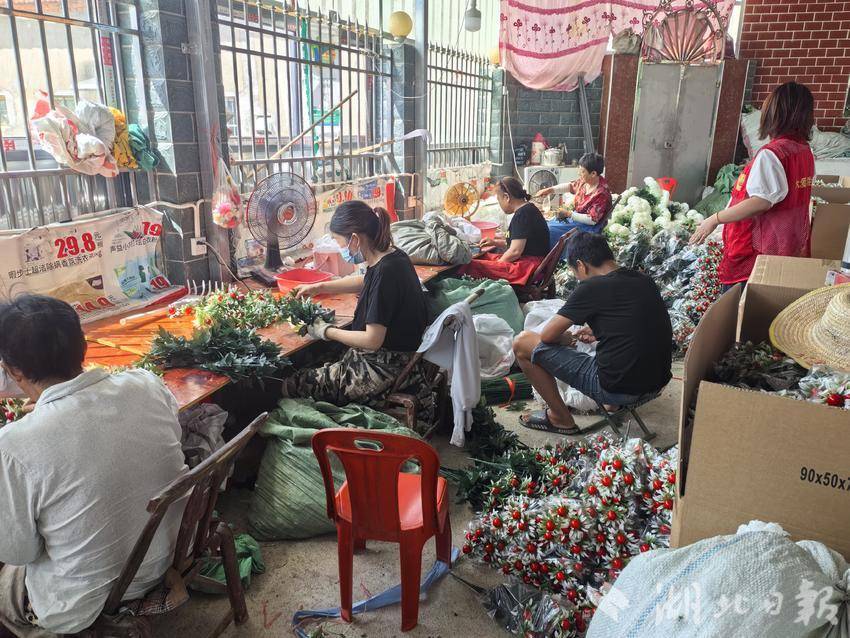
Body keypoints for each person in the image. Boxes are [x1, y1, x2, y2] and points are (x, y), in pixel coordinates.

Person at [0, 295, 186, 637]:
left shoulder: (13, 444)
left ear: (13, 371)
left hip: (93, 599)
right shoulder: (145, 384)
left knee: (8, 580)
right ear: (83, 345)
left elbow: (20, 550)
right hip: (169, 553)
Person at [283, 200, 432, 415]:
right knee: (319, 359)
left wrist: (326, 331)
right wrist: (320, 287)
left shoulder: (385, 272)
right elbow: (366, 281)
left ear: (354, 239)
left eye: (339, 242)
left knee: (296, 382)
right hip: (400, 356)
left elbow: (372, 340)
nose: (340, 249)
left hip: (384, 368)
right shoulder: (393, 257)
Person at [513, 233, 672, 434]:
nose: (579, 279)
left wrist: (564, 339)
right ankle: (612, 405)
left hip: (619, 389)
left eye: (576, 274)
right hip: (657, 382)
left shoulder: (592, 286)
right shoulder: (643, 280)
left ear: (581, 265)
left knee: (522, 342)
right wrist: (598, 332)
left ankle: (560, 418)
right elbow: (637, 325)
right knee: (617, 356)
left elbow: (547, 336)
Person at [690, 82, 815, 291]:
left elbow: (761, 202)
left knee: (740, 304)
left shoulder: (772, 154)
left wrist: (714, 219)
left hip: (757, 252)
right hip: (784, 246)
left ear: (775, 112)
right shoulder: (803, 150)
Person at [458, 177, 550, 285]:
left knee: (470, 265)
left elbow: (515, 252)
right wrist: (494, 242)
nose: (499, 204)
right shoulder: (528, 209)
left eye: (499, 200)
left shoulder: (522, 215)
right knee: (484, 257)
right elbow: (517, 241)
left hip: (529, 267)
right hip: (534, 262)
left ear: (506, 197)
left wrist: (498, 264)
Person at [538, 152, 613, 249]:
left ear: (593, 174)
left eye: (582, 171)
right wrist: (550, 190)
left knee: (550, 229)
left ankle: (552, 255)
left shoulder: (601, 193)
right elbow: (570, 186)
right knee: (545, 224)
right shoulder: (585, 182)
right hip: (575, 219)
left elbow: (592, 220)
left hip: (588, 227)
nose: (579, 174)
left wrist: (568, 214)